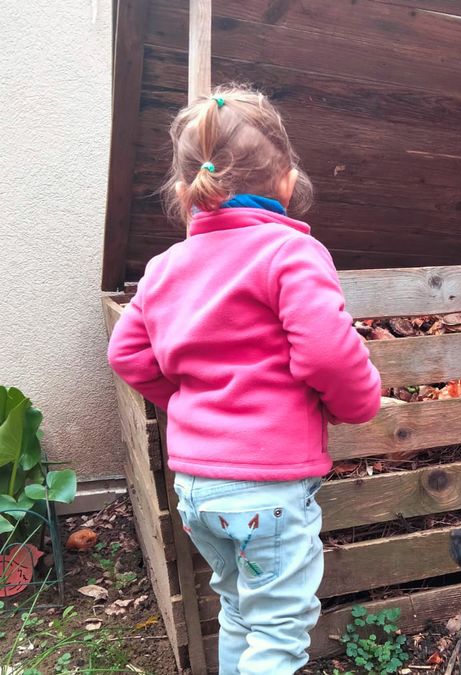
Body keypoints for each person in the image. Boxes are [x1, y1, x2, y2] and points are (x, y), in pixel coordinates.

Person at [107, 84, 382, 674]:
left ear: (187, 191)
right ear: (285, 182)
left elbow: (128, 354)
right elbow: (329, 354)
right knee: (279, 634)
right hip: (267, 491)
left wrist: (186, 400)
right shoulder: (289, 254)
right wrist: (358, 404)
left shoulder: (164, 268)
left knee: (237, 609)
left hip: (198, 491)